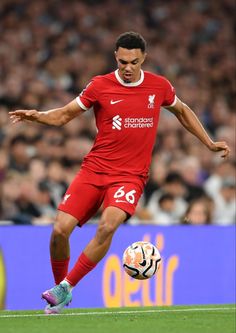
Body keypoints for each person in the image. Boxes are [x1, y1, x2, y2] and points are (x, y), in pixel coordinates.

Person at [9, 31, 230, 314]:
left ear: (143, 59)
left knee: (108, 225)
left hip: (130, 176)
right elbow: (64, 115)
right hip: (94, 169)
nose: (128, 67)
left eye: (134, 62)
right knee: (58, 232)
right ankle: (61, 288)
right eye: (123, 61)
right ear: (116, 56)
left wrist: (209, 142)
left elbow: (183, 111)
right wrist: (38, 116)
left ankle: (67, 286)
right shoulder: (99, 85)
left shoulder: (159, 86)